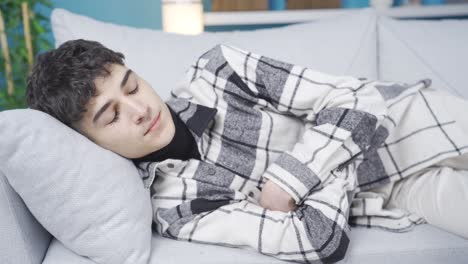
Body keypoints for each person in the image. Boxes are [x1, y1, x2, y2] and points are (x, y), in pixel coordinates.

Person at [26, 39, 468, 263]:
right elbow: (318, 241)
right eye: (111, 116)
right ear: (88, 142)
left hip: (414, 123)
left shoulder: (219, 71)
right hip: (391, 199)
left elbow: (365, 101)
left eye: (133, 85)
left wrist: (289, 180)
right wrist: (334, 144)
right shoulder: (173, 208)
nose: (140, 109)